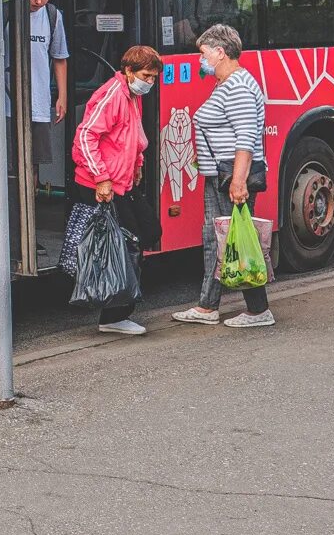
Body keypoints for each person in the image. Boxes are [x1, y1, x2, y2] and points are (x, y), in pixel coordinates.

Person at [173, 23, 275, 328]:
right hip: (223, 173)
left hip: (231, 175)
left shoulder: (238, 87)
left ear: (220, 52)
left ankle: (256, 310)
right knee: (222, 239)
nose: (200, 61)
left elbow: (245, 138)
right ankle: (210, 306)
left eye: (203, 55)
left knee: (232, 240)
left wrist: (238, 181)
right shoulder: (227, 83)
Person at [69, 45, 163, 335]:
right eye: (146, 75)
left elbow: (132, 136)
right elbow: (85, 136)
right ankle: (114, 314)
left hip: (121, 182)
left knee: (146, 232)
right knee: (126, 244)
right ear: (128, 71)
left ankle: (117, 310)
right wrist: (101, 178)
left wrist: (137, 164)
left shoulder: (131, 95)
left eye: (154, 77)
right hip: (103, 184)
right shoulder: (112, 95)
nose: (150, 82)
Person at [28, 0, 70, 194]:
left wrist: (61, 95)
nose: (38, 2)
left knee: (34, 163)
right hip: (6, 103)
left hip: (39, 102)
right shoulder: (4, 13)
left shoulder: (53, 16)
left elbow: (60, 58)